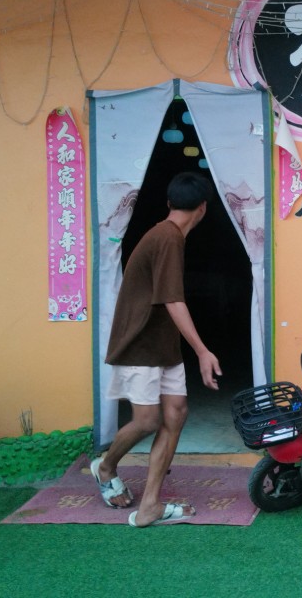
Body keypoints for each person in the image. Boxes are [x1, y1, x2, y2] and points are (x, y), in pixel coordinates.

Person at [91, 171, 222, 527]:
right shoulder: (167, 237)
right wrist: (202, 351)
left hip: (163, 345)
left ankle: (150, 505)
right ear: (203, 207)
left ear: (169, 202)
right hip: (140, 343)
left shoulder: (170, 235)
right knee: (147, 420)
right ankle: (106, 466)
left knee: (176, 414)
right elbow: (172, 300)